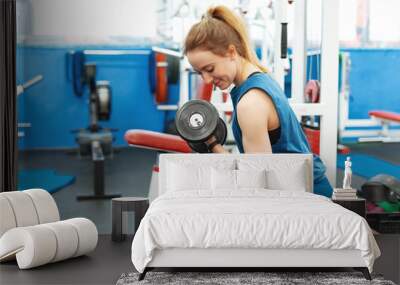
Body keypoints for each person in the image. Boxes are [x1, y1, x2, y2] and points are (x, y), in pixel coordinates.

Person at [183, 5, 333, 198]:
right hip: (298, 192)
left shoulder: (250, 104)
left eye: (210, 69)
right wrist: (212, 143)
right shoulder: (260, 78)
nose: (206, 80)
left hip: (309, 202)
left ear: (231, 52)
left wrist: (212, 146)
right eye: (200, 72)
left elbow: (257, 184)